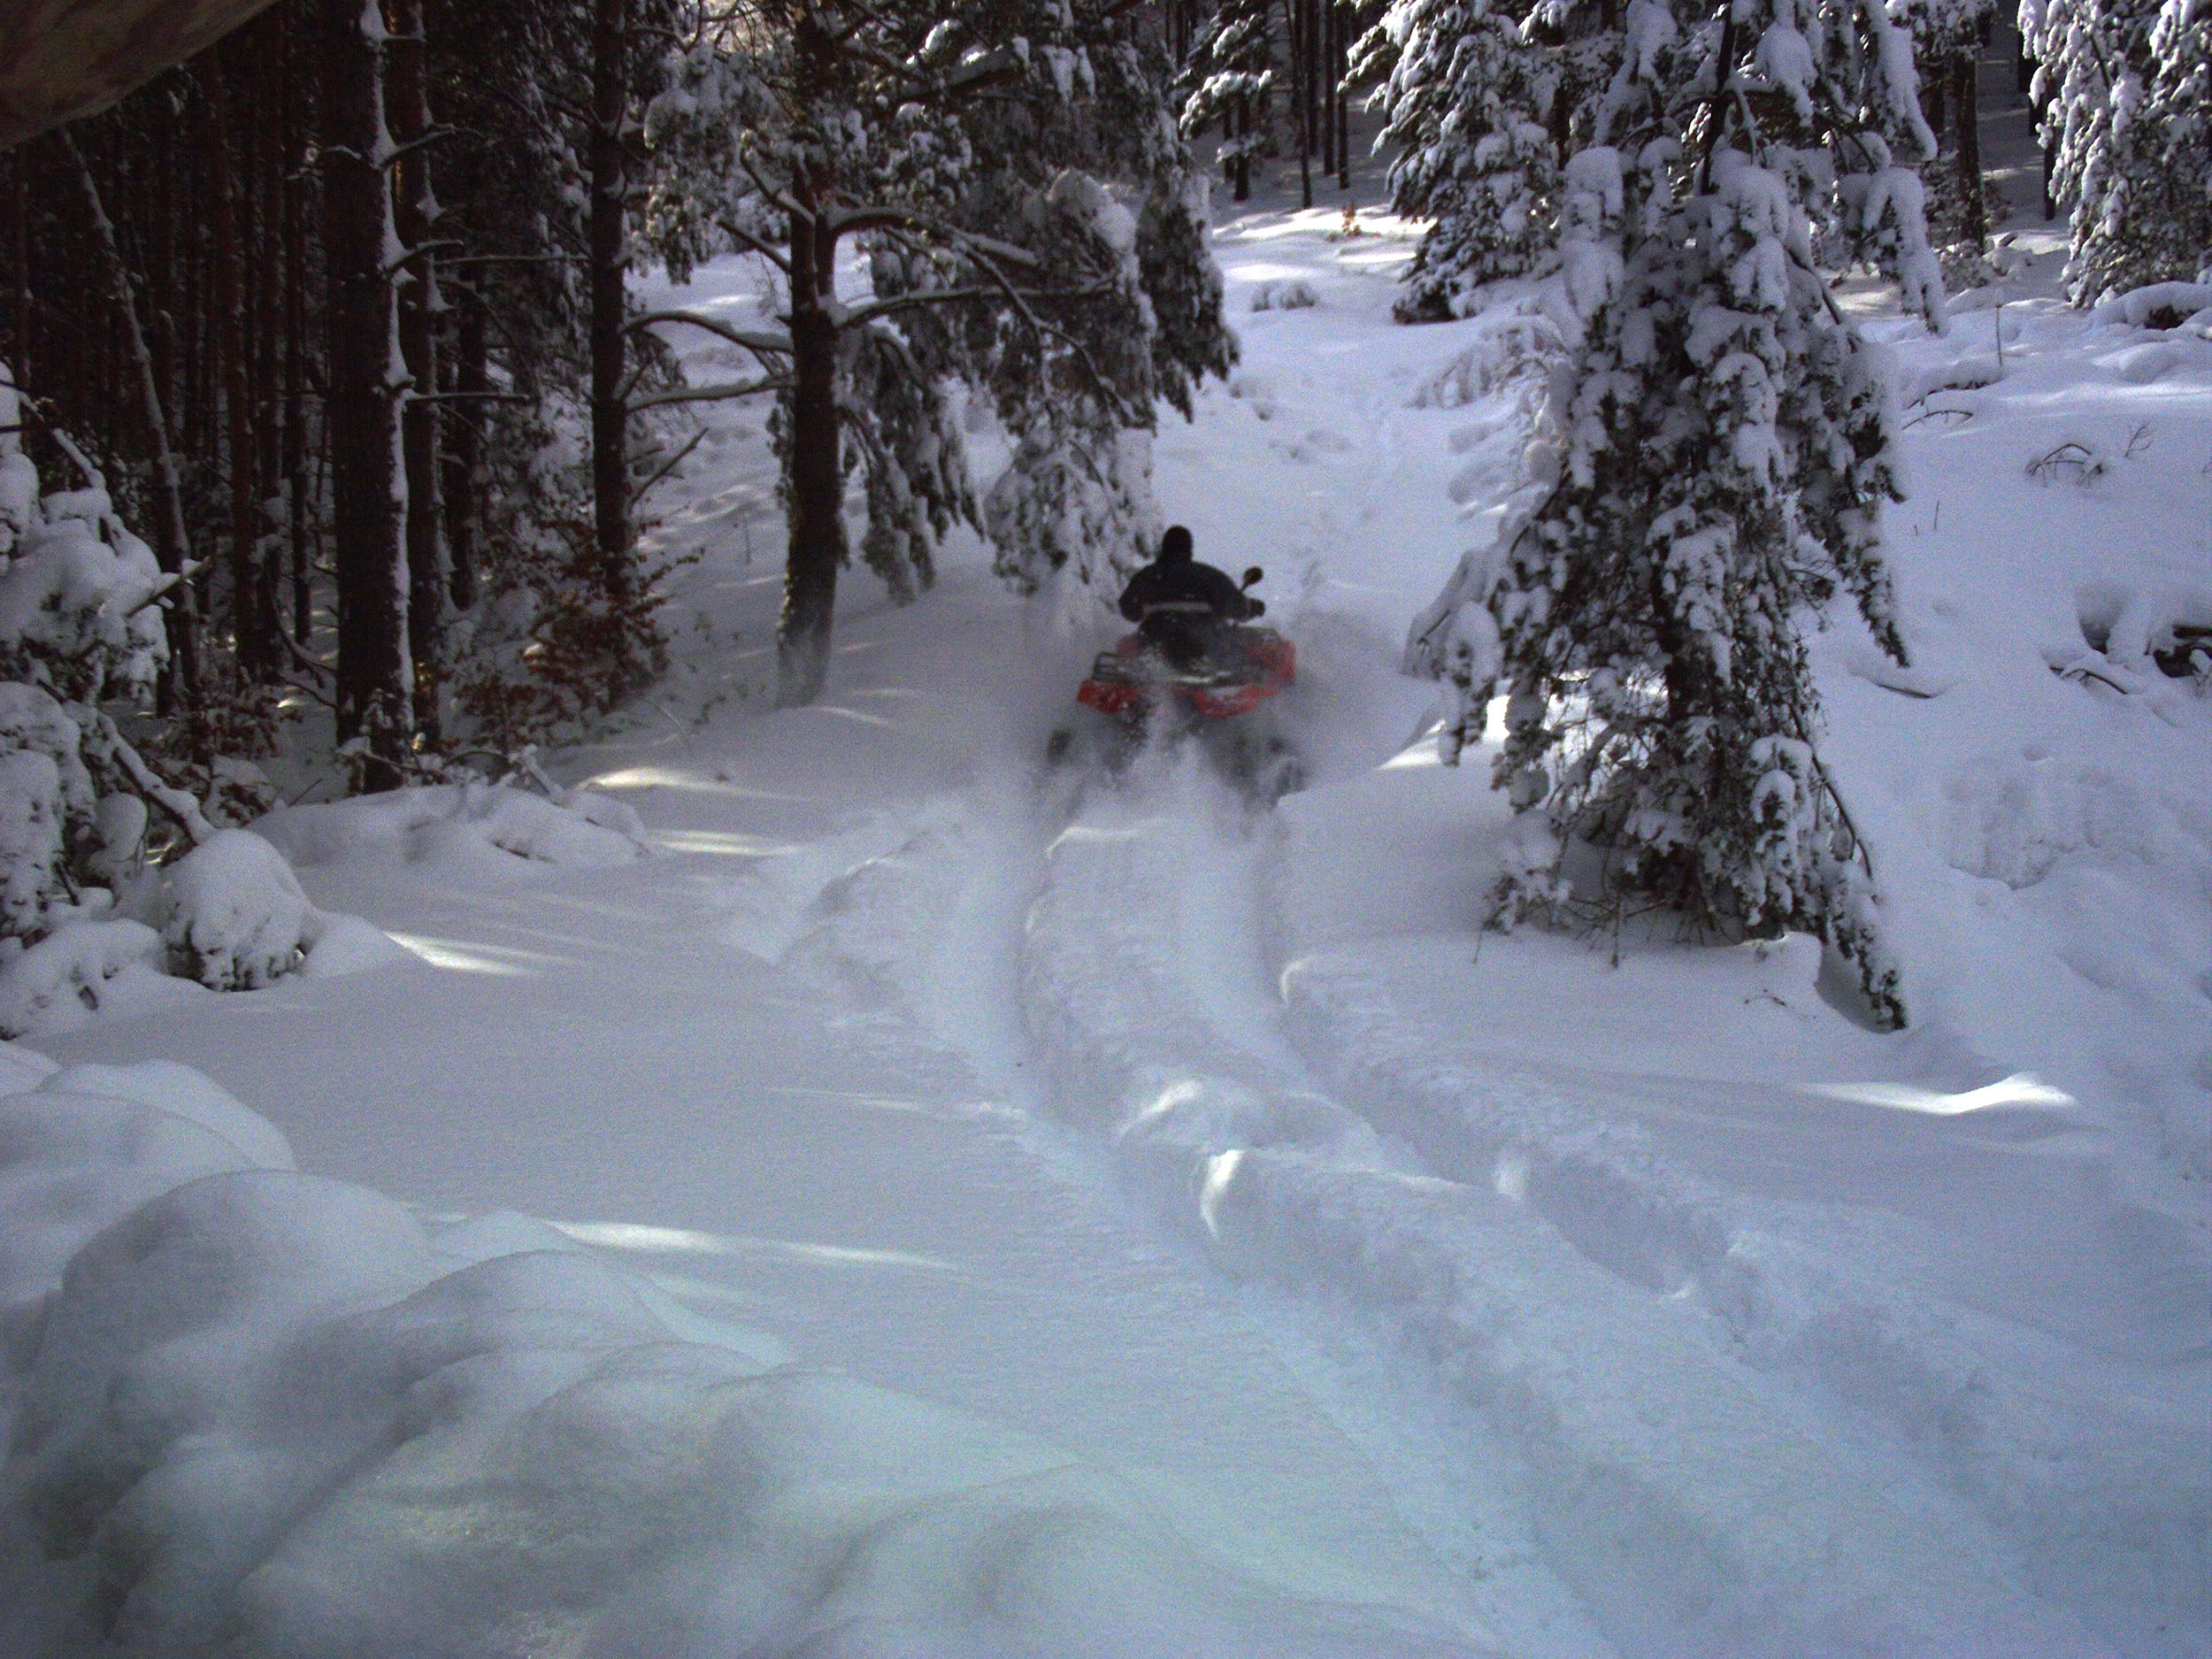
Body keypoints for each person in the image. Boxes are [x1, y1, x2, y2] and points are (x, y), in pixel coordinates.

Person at [1118, 526, 1263, 668]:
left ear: (1164, 548)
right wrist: (1252, 607)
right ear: (1189, 549)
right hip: (1204, 645)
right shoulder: (1208, 576)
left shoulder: (1147, 576)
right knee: (1250, 648)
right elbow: (1237, 606)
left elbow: (1129, 610)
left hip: (1155, 641)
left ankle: (1133, 673)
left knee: (1127, 646)